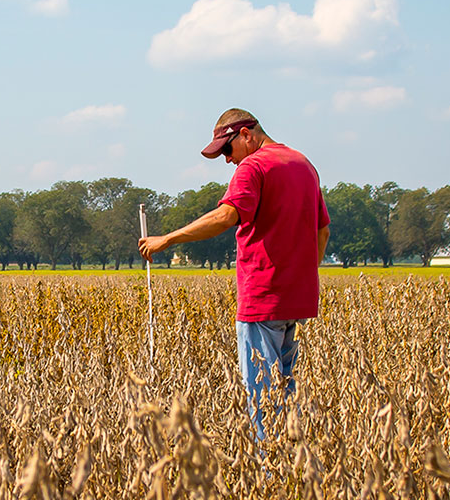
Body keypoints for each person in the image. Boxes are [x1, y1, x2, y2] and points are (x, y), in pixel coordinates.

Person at [139, 108, 330, 440]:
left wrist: (167, 239)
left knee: (261, 394)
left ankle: (269, 473)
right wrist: (301, 276)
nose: (228, 161)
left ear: (247, 134)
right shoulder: (303, 164)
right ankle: (294, 464)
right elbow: (322, 231)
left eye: (227, 150)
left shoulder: (254, 166)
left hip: (262, 298)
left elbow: (226, 216)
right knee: (287, 391)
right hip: (296, 302)